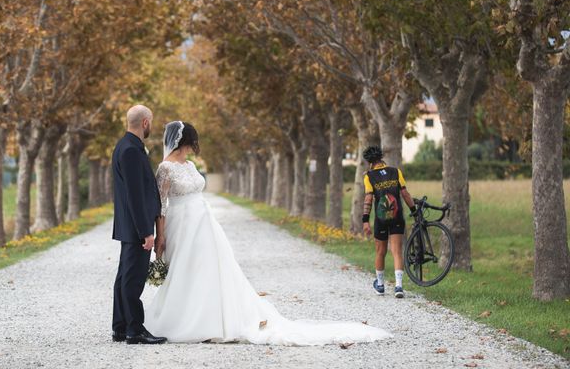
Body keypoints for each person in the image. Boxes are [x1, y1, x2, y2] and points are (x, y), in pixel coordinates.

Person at [144, 121, 392, 345]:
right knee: (183, 270)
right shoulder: (165, 168)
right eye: (191, 143)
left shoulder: (189, 165)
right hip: (181, 224)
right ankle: (184, 318)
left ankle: (211, 320)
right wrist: (161, 235)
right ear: (182, 141)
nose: (192, 148)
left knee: (210, 270)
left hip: (204, 223)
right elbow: (162, 204)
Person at [111, 105, 167, 344]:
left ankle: (120, 327)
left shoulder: (125, 146)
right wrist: (147, 232)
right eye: (151, 122)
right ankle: (135, 330)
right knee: (132, 279)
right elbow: (135, 195)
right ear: (145, 122)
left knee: (124, 277)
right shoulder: (132, 151)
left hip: (129, 226)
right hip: (136, 228)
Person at [362, 146, 416, 299]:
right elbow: (404, 193)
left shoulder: (369, 176)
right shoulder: (395, 171)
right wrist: (414, 210)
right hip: (397, 215)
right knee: (397, 251)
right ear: (381, 158)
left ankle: (380, 286)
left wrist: (365, 220)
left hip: (381, 218)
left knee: (381, 252)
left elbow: (368, 198)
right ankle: (399, 286)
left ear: (369, 162)